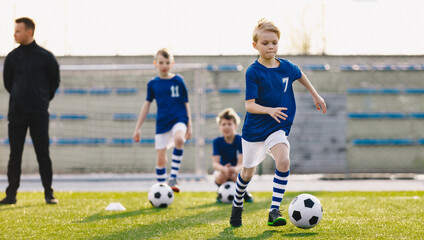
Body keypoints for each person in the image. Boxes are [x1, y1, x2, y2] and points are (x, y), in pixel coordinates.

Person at [229, 19, 327, 227]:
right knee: (247, 174)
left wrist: (315, 95)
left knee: (283, 161)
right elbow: (249, 105)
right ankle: (237, 203)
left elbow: (299, 74)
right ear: (255, 45)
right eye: (265, 43)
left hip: (277, 128)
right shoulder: (253, 72)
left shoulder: (286, 67)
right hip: (254, 131)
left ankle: (274, 210)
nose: (270, 46)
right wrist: (268, 110)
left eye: (274, 42)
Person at [1, 17, 60, 205]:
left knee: (43, 153)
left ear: (29, 32)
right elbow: (8, 82)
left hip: (39, 113)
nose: (15, 34)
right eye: (14, 31)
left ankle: (48, 194)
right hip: (17, 113)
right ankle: (11, 195)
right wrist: (21, 98)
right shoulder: (12, 57)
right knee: (14, 155)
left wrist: (41, 100)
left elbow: (54, 82)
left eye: (18, 31)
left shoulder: (45, 56)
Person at [133, 48, 192, 193]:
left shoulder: (178, 80)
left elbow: (186, 102)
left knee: (179, 139)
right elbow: (147, 105)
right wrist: (137, 128)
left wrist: (189, 125)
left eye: (167, 62)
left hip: (179, 118)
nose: (164, 65)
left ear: (172, 63)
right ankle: (161, 188)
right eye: (161, 62)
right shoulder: (152, 84)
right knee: (160, 159)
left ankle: (173, 177)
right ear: (155, 64)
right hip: (162, 123)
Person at [212, 108, 252, 203]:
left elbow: (241, 163)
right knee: (220, 176)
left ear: (236, 126)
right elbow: (215, 164)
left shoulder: (240, 140)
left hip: (236, 170)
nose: (226, 127)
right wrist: (224, 169)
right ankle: (221, 192)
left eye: (229, 124)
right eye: (223, 124)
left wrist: (234, 169)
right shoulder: (217, 142)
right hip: (223, 170)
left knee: (237, 176)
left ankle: (243, 192)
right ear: (220, 127)